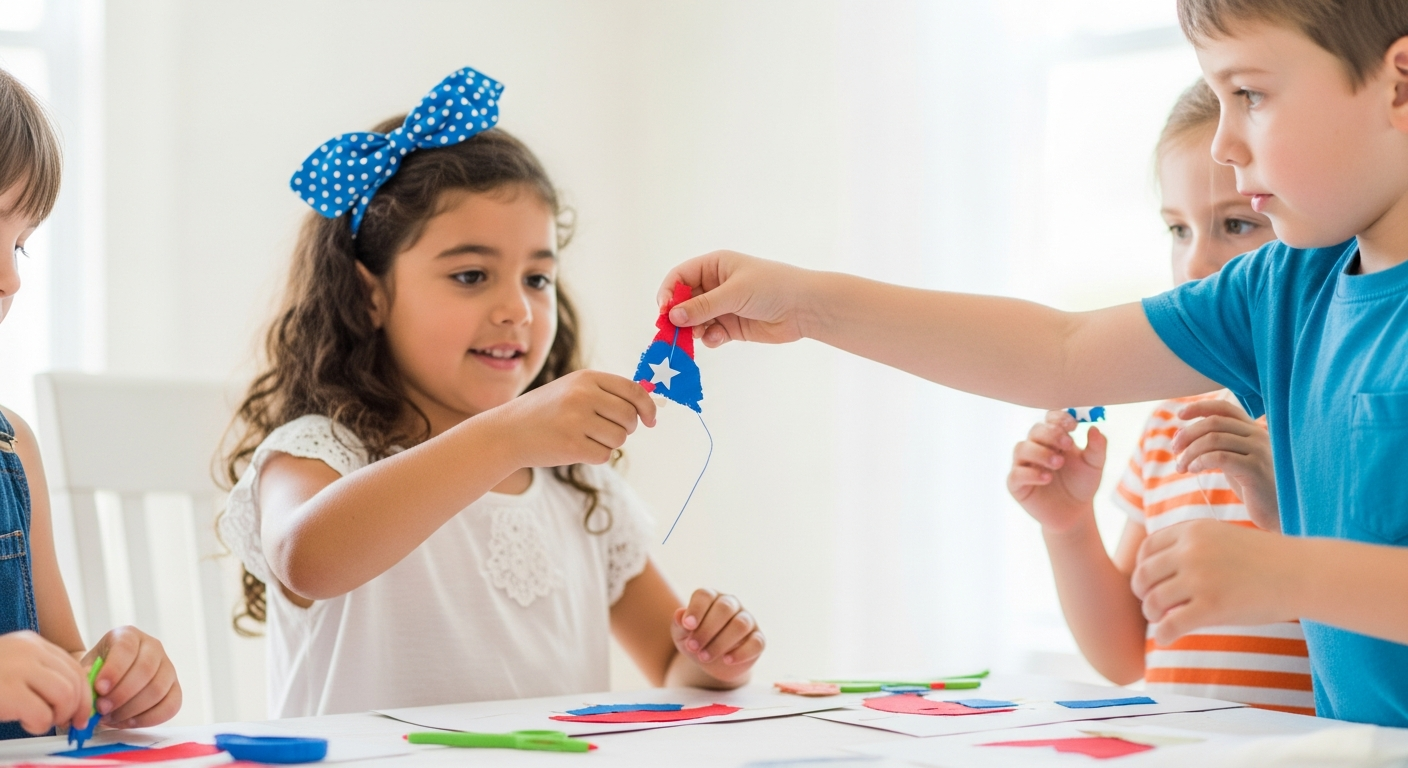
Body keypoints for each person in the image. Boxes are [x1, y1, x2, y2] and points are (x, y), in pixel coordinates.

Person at [658, 0, 1408, 725]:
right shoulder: (1284, 286)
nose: (1224, 144)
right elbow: (1063, 352)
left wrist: (1291, 573)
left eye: (1250, 94)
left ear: (1399, 85)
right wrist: (807, 304)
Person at [218, 67, 765, 718]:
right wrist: (508, 436)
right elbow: (306, 559)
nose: (518, 310)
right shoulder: (320, 452)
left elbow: (670, 665)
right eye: (472, 275)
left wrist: (712, 659)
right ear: (369, 295)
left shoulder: (578, 490)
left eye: (537, 279)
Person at [1007, 80, 1313, 715]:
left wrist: (1288, 507)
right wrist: (1068, 527)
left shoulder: (1329, 417)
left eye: (1236, 224)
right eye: (1178, 229)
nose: (1195, 264)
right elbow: (1126, 653)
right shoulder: (1171, 421)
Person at [0, 68, 181, 739]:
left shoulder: (12, 448)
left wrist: (106, 677)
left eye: (20, 245)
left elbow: (61, 659)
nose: (10, 278)